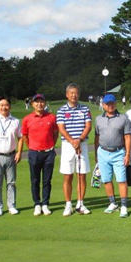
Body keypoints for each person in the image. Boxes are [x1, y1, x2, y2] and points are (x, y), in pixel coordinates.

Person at [56, 83, 92, 216]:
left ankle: (80, 204)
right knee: (68, 175)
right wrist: (72, 141)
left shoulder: (85, 109)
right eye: (71, 93)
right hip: (67, 145)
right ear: (67, 95)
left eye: (76, 93)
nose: (74, 95)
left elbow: (88, 126)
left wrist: (79, 140)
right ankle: (68, 205)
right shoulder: (61, 110)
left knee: (82, 175)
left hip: (82, 144)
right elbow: (61, 128)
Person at [95, 94, 131, 218]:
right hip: (103, 152)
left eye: (112, 103)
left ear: (116, 104)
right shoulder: (98, 119)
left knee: (121, 180)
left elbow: (127, 137)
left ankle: (124, 206)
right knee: (106, 180)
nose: (110, 106)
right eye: (107, 104)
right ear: (103, 105)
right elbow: (97, 137)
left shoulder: (123, 118)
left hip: (119, 152)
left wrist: (127, 154)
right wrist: (96, 154)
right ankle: (112, 203)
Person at [22, 93, 58, 216]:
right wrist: (32, 148)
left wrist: (51, 145)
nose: (39, 104)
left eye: (41, 101)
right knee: (35, 180)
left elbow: (55, 133)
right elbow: (25, 136)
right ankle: (37, 204)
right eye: (36, 102)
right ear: (32, 104)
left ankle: (45, 204)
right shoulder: (27, 119)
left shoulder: (52, 117)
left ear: (45, 103)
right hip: (34, 153)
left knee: (47, 180)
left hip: (49, 153)